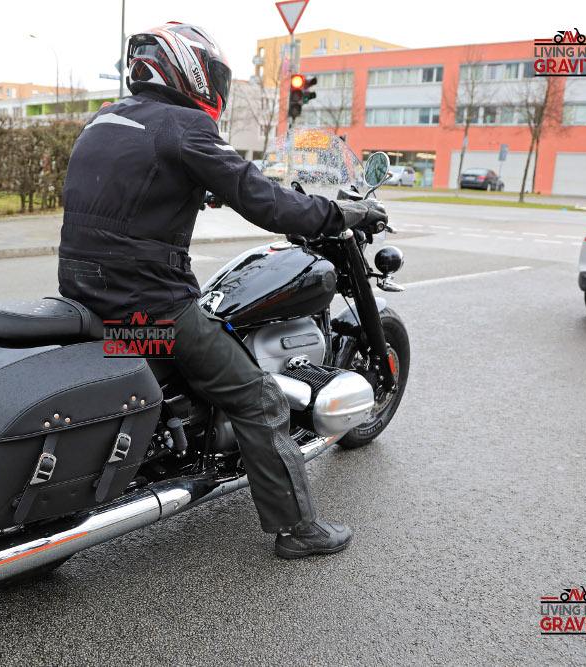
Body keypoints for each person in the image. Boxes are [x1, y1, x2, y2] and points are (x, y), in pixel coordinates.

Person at [57, 22, 386, 558]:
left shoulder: (105, 120)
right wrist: (340, 213)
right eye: (213, 75)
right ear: (190, 71)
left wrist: (201, 187)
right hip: (150, 304)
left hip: (85, 293)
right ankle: (297, 530)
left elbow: (135, 186)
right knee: (260, 398)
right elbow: (267, 203)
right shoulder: (185, 126)